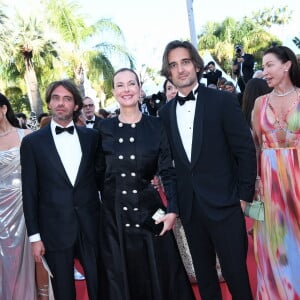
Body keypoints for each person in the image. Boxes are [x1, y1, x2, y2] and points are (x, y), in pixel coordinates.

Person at [159, 40, 257, 300]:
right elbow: (170, 165)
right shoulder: (165, 112)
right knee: (205, 281)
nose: (180, 69)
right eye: (173, 65)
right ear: (168, 72)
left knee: (237, 277)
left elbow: (245, 151)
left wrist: (244, 197)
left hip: (226, 205)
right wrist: (175, 204)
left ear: (197, 65)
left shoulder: (222, 101)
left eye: (185, 62)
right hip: (191, 211)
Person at [96, 68, 196, 300]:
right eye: (120, 85)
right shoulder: (103, 129)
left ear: (140, 89)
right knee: (119, 278)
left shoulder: (156, 125)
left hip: (149, 213)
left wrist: (172, 210)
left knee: (160, 274)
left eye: (131, 84)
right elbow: (97, 173)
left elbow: (168, 172)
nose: (126, 89)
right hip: (114, 218)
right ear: (113, 91)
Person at [20, 79, 104, 300]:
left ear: (76, 105)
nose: (61, 103)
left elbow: (102, 179)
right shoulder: (32, 143)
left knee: (100, 285)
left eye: (67, 99)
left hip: (91, 225)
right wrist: (34, 237)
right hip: (54, 230)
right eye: (56, 98)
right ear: (48, 103)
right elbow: (29, 193)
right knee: (64, 291)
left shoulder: (92, 138)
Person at [252, 45, 300, 299]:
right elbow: (256, 146)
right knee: (275, 242)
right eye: (263, 66)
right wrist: (256, 180)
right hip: (270, 186)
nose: (265, 71)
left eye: (269, 65)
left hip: (299, 180)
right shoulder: (260, 103)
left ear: (287, 65)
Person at [0, 93, 36, 299]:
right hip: (0, 208)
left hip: (24, 204)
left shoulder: (28, 135)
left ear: (4, 109)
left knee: (29, 254)